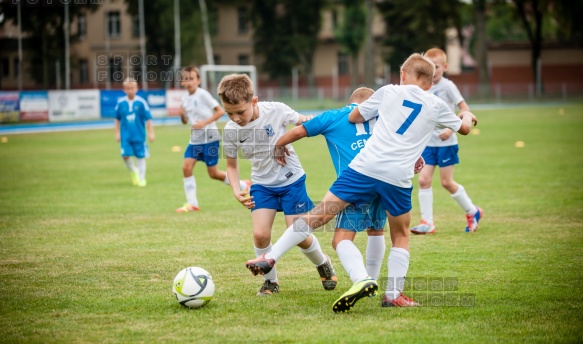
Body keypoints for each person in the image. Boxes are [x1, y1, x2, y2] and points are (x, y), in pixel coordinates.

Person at [246, 53, 478, 312]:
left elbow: (355, 116)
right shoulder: (436, 104)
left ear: (402, 75)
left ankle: (271, 256)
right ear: (430, 82)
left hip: (364, 168)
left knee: (317, 216)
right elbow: (464, 128)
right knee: (400, 235)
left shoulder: (389, 91)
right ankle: (393, 294)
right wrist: (467, 115)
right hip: (398, 177)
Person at [275, 87, 426, 291]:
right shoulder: (386, 117)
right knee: (377, 230)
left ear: (350, 102)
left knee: (340, 238)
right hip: (388, 181)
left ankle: (362, 279)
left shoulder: (336, 116)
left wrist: (279, 144)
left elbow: (300, 130)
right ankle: (375, 281)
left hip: (354, 185)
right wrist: (415, 156)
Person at [217, 73, 338, 296]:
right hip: (262, 185)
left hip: (292, 181)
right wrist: (236, 190)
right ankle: (270, 282)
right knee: (261, 235)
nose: (235, 118)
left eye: (240, 112)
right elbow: (232, 166)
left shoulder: (276, 110)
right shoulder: (231, 130)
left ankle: (322, 262)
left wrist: (319, 122)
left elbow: (303, 122)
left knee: (298, 234)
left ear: (254, 101)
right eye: (229, 113)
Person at [410, 48, 483, 234]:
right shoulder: (421, 87)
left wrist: (451, 129)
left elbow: (464, 109)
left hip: (446, 144)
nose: (433, 71)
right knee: (424, 180)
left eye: (436, 67)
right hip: (428, 143)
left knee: (446, 182)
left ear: (445, 67)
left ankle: (472, 211)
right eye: (429, 67)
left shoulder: (448, 86)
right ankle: (427, 222)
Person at [176, 66, 251, 213]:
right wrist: (181, 115)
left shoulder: (202, 94)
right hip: (195, 140)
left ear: (198, 80)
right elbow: (186, 121)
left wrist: (204, 123)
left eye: (191, 78)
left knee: (213, 173)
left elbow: (220, 111)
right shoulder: (184, 99)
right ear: (182, 82)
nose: (189, 81)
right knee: (186, 167)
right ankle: (192, 204)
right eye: (185, 79)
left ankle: (243, 185)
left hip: (210, 138)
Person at [114, 77, 155, 187]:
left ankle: (142, 179)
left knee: (140, 157)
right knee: (125, 156)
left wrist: (151, 133)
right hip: (125, 136)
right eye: (128, 88)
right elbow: (117, 119)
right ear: (124, 89)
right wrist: (117, 133)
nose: (130, 90)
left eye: (132, 88)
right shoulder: (121, 103)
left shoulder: (141, 103)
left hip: (139, 135)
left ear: (136, 88)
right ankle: (134, 171)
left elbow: (148, 119)